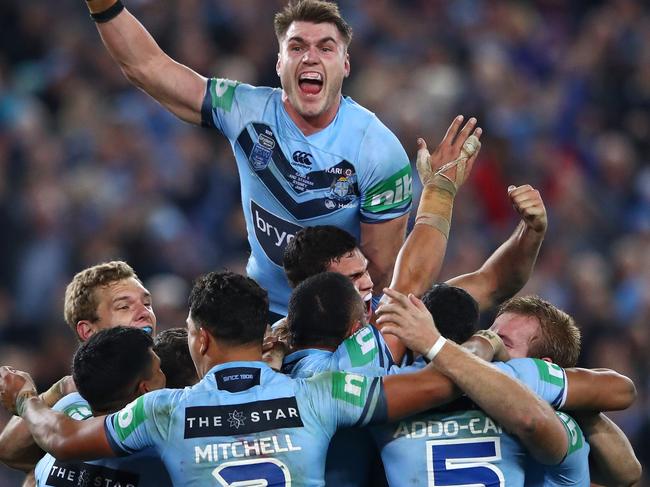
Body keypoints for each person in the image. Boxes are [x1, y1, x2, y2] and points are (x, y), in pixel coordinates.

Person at [0, 271, 569, 486]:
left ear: (198, 340)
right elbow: (442, 385)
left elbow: (56, 439)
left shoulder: (161, 410)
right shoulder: (320, 393)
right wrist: (471, 346)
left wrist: (26, 394)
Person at [81, 0, 421, 319]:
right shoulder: (246, 108)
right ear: (279, 63)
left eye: (326, 48)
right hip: (260, 312)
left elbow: (377, 270)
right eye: (297, 47)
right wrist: (104, 6)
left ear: (345, 65)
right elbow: (147, 67)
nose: (310, 58)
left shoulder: (378, 149)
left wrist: (309, 328)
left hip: (339, 317)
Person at [0, 261, 156, 473]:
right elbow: (10, 451)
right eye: (124, 306)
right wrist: (59, 390)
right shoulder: (71, 396)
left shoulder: (178, 373)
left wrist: (25, 398)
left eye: (147, 303)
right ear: (88, 331)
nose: (144, 312)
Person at [489, 296, 642, 486]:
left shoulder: (563, 427)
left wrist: (579, 406)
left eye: (502, 342)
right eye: (489, 334)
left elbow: (628, 474)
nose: (488, 346)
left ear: (545, 367)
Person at [33, 327, 171, 487]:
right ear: (145, 389)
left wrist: (26, 398)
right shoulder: (164, 453)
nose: (163, 374)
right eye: (158, 369)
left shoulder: (66, 408)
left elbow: (9, 449)